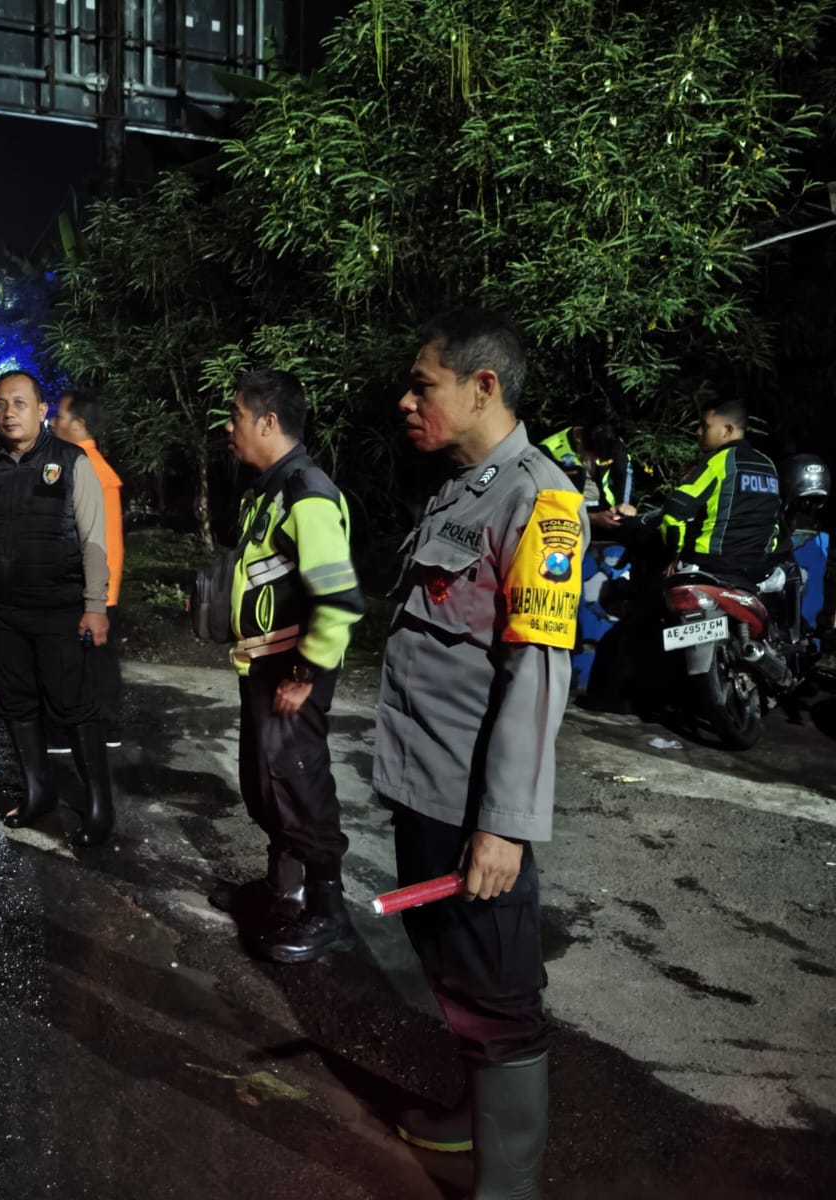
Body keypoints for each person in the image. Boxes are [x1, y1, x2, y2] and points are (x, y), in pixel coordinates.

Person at [376, 311, 585, 1198]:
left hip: (474, 812)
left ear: (482, 387)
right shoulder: (461, 490)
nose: (407, 399)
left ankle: (511, 1185)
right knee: (454, 970)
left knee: (499, 995)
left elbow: (536, 676)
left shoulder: (542, 500)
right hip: (425, 790)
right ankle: (474, 1124)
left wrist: (503, 827)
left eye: (423, 384)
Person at [210, 369, 365, 965]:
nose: (230, 428)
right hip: (266, 667)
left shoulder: (307, 490)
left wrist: (305, 674)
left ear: (268, 422)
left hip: (291, 673)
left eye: (237, 416)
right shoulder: (270, 488)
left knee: (300, 789)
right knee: (266, 787)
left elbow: (340, 596)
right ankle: (285, 891)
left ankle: (330, 915)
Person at [0, 370, 115, 848]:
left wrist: (95, 605)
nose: (8, 413)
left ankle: (100, 807)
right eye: (1, 404)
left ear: (41, 411)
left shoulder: (71, 462)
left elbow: (93, 541)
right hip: (1, 611)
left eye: (19, 403)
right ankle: (38, 792)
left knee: (73, 704)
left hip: (59, 609)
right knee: (16, 702)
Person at [48, 387, 125, 749]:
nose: (52, 421)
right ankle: (105, 728)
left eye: (59, 416)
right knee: (98, 663)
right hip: (98, 588)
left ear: (78, 424)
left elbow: (95, 542)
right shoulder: (87, 464)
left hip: (90, 588)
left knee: (77, 663)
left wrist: (93, 600)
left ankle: (78, 731)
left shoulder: (86, 469)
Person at [651, 398, 781, 583]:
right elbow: (773, 521)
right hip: (757, 570)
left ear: (728, 430)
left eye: (705, 426)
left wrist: (674, 556)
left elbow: (676, 510)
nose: (698, 431)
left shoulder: (718, 462)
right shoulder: (768, 465)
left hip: (711, 566)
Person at [539, 421, 637, 533]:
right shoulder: (547, 452)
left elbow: (623, 471)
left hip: (607, 510)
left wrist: (624, 504)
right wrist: (591, 518)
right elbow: (544, 505)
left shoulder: (611, 441)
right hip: (567, 519)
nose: (596, 461)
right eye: (593, 455)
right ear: (578, 438)